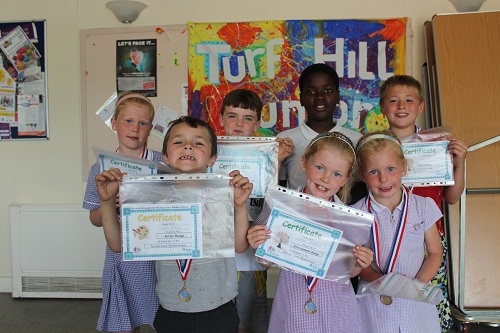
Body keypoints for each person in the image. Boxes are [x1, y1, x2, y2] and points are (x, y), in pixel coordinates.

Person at [96, 116, 253, 333]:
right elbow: (117, 245)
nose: (188, 146)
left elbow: (240, 246)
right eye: (178, 142)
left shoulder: (222, 195)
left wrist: (240, 206)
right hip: (170, 307)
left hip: (219, 306)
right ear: (166, 157)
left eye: (198, 143)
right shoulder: (151, 198)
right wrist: (106, 202)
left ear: (212, 158)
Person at [247, 132, 373, 333]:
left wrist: (359, 263)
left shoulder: (351, 220)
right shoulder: (280, 206)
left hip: (336, 309)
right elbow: (265, 260)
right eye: (320, 167)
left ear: (345, 179)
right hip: (293, 303)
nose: (325, 178)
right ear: (305, 163)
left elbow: (350, 272)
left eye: (336, 174)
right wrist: (258, 244)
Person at [379, 74, 467, 332]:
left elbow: (451, 198)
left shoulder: (437, 145)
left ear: (421, 106)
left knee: (427, 305)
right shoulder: (375, 146)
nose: (401, 106)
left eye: (408, 100)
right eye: (393, 101)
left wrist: (459, 163)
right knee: (388, 303)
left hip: (429, 243)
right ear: (383, 107)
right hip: (387, 238)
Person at [82, 91, 161, 333]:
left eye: (142, 123)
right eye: (128, 121)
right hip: (121, 257)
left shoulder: (163, 164)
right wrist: (109, 205)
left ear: (150, 128)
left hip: (158, 255)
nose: (135, 128)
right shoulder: (101, 168)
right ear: (114, 123)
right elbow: (94, 217)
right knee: (124, 319)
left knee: (162, 316)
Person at [352, 130, 443, 333]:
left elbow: (435, 253)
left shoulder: (423, 206)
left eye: (390, 168)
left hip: (416, 300)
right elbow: (358, 262)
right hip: (374, 301)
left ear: (404, 167)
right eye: (374, 172)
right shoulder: (356, 213)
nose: (383, 179)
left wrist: (416, 286)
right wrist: (384, 284)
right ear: (362, 175)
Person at [220, 89, 293, 333]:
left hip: (251, 257)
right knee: (221, 316)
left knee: (250, 320)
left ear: (258, 124)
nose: (239, 123)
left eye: (247, 118)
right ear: (221, 119)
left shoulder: (266, 154)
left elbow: (273, 196)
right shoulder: (210, 153)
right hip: (219, 255)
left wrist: (277, 160)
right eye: (232, 116)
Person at [278, 63, 362, 190]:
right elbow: (279, 189)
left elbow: (360, 189)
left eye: (327, 91)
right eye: (311, 92)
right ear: (301, 98)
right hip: (296, 209)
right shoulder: (285, 140)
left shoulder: (356, 140)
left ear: (338, 96)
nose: (319, 97)